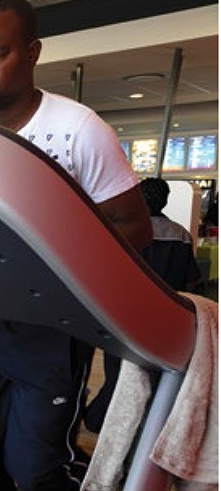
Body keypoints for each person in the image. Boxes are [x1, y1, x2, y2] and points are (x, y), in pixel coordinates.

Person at [0, 0, 152, 491]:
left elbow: (135, 228)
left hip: (52, 329)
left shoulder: (78, 129)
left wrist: (61, 271)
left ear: (32, 53)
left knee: (36, 470)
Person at [84, 176, 201, 432]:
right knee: (156, 373)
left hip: (125, 315)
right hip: (166, 316)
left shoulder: (124, 232)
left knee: (116, 372)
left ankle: (105, 418)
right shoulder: (180, 234)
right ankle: (150, 423)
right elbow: (191, 280)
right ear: (166, 200)